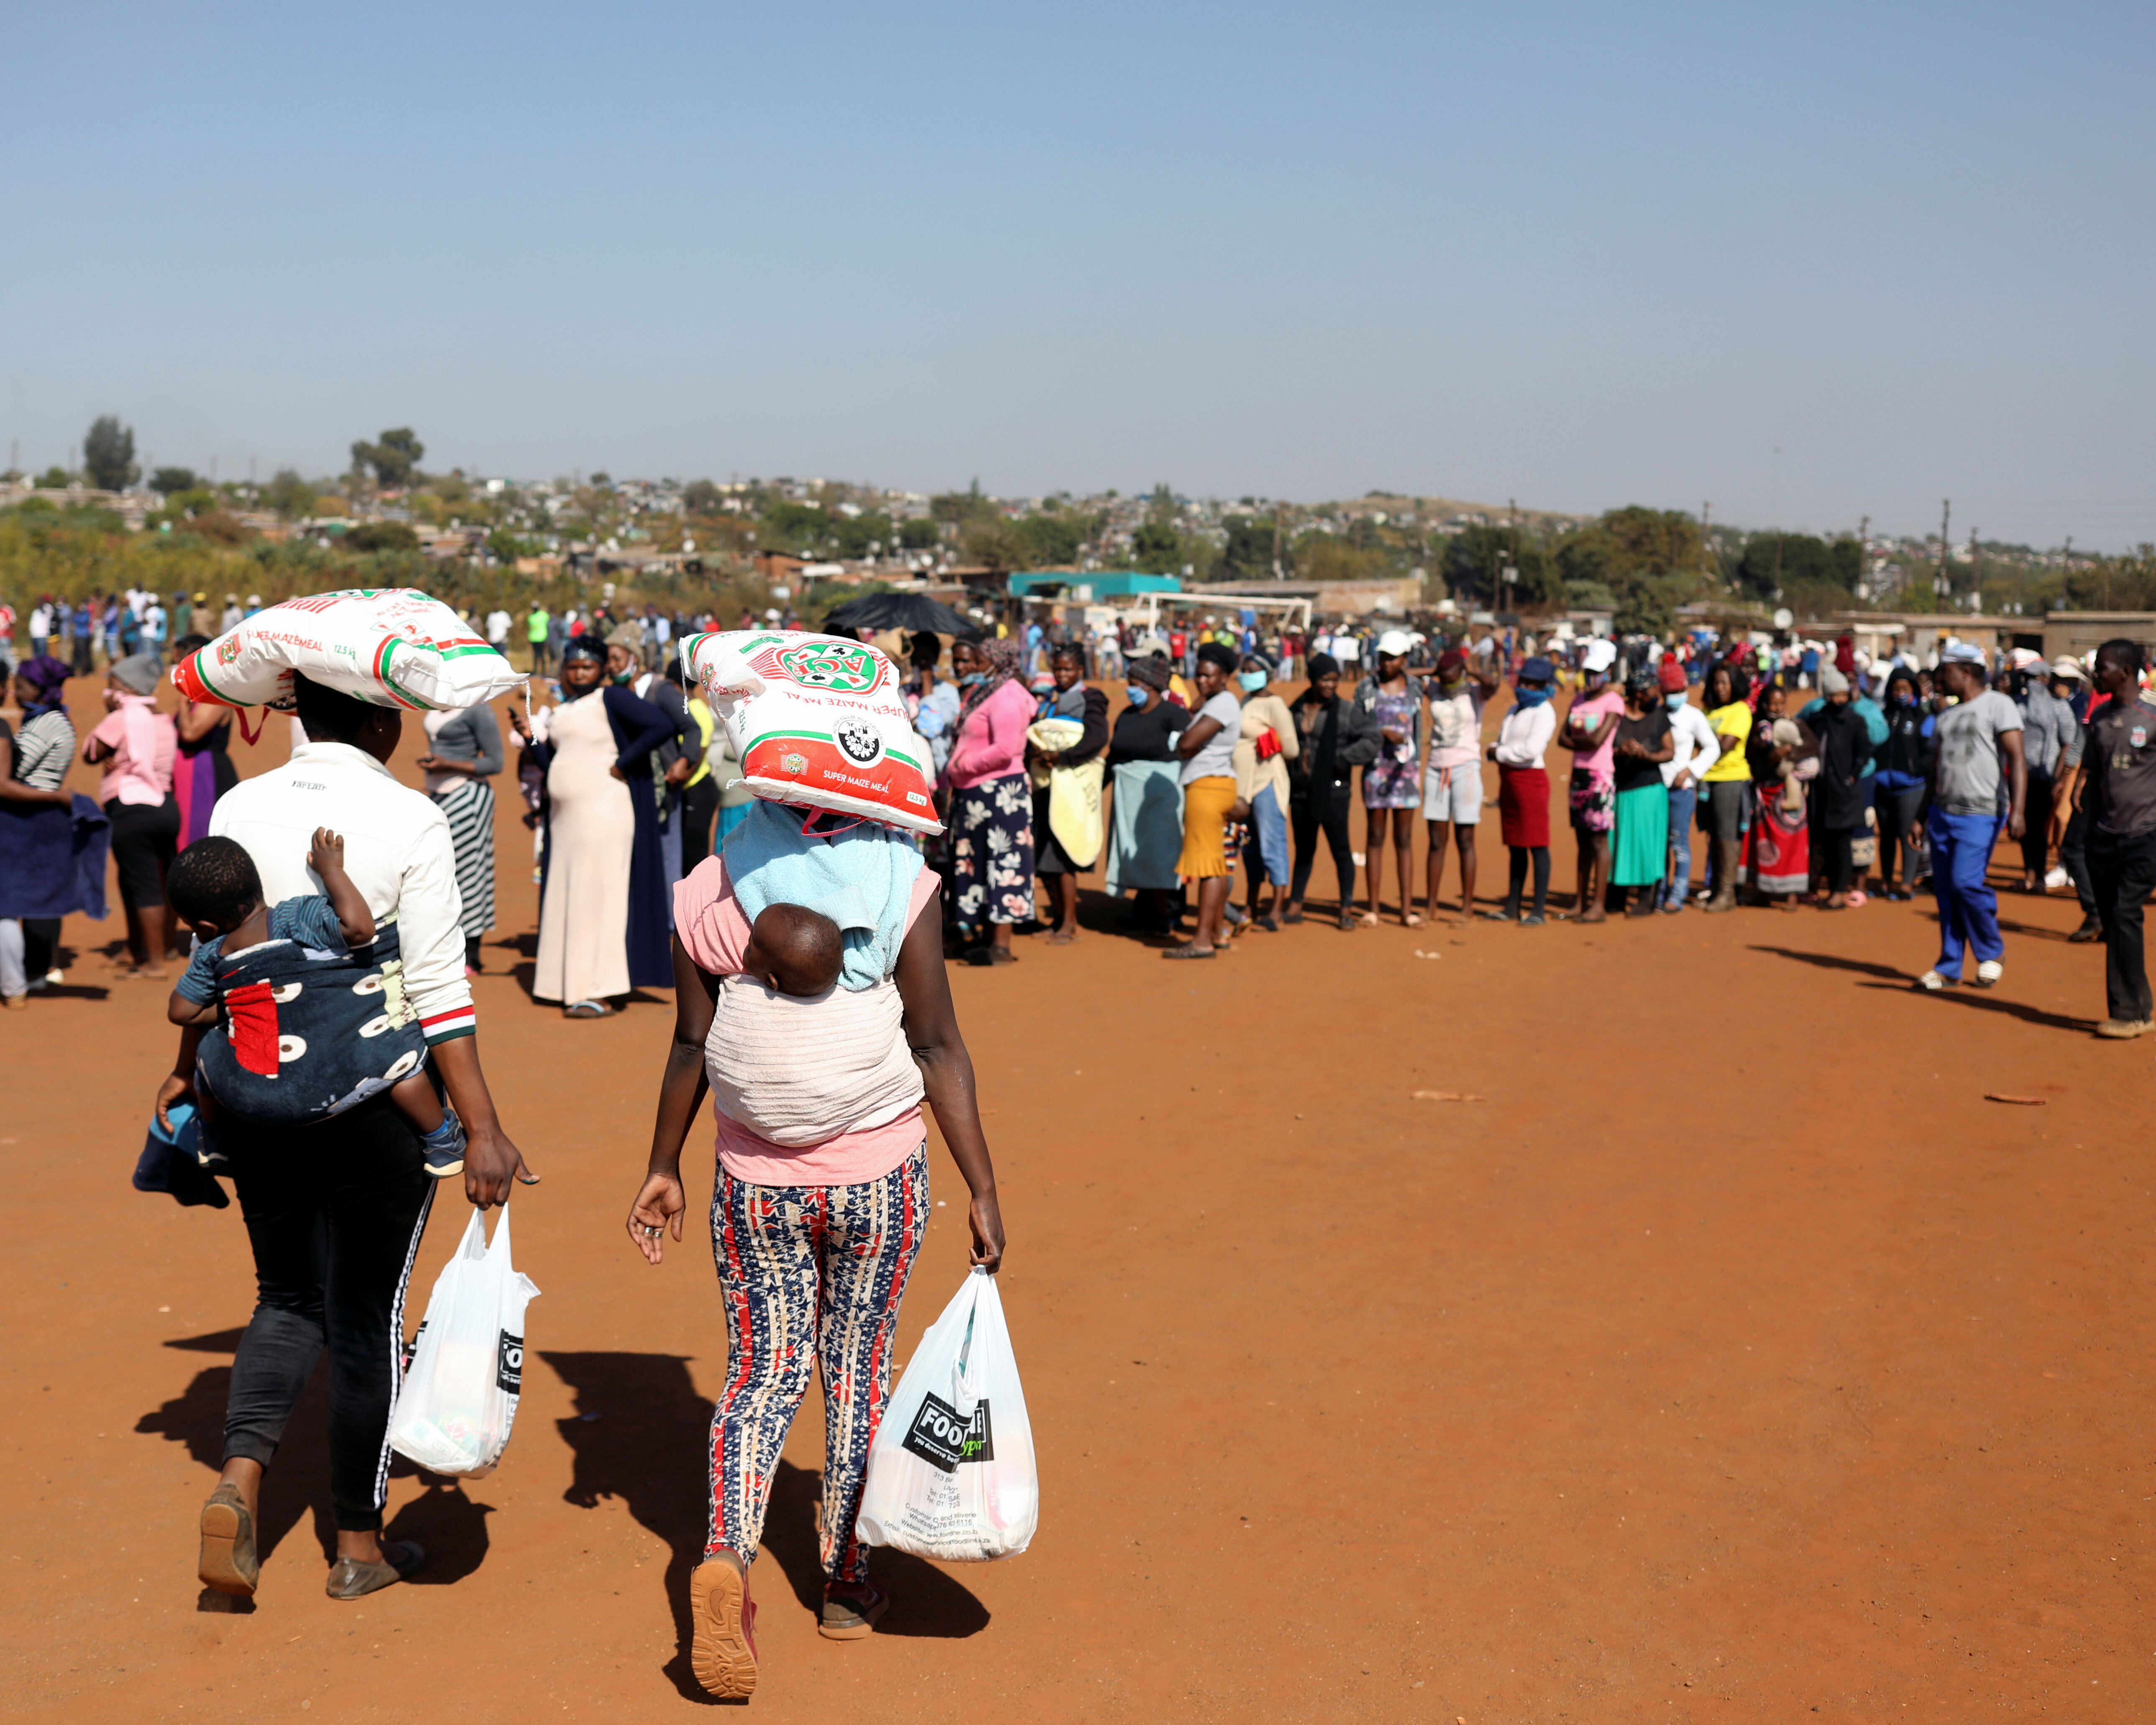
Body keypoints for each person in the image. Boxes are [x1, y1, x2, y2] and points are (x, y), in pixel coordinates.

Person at [166, 671, 534, 1604]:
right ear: (379, 721)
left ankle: (239, 1478)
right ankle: (358, 1543)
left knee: (287, 1297)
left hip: (252, 1094)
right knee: (365, 1317)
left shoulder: (242, 802)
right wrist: (481, 1129)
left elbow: (205, 967)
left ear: (296, 715)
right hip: (374, 1099)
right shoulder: (410, 816)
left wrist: (184, 1071)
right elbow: (442, 990)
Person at [628, 804, 1005, 1697]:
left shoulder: (709, 891)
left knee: (761, 1372)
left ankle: (727, 1555)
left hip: (754, 1183)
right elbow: (936, 1043)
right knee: (858, 1369)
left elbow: (690, 1040)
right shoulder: (896, 883)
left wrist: (662, 1165)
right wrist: (983, 1187)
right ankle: (846, 1580)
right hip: (877, 1175)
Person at [163, 830, 468, 1175]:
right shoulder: (295, 916)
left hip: (257, 1097)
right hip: (338, 1075)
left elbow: (182, 1012)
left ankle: (215, 1138)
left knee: (208, 1052)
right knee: (396, 1055)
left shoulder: (211, 953)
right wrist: (332, 871)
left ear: (204, 926)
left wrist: (235, 1002)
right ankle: (441, 1140)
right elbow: (359, 930)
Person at [511, 634, 675, 1016]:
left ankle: (598, 988)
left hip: (604, 813)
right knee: (567, 895)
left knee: (598, 897)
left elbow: (661, 726)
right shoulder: (566, 708)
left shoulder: (612, 698)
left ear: (602, 669)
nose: (580, 672)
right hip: (566, 820)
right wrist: (530, 739)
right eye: (573, 667)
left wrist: (622, 763)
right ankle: (562, 981)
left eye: (587, 666)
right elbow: (555, 764)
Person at [1915, 643, 2025, 992]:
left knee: (1965, 883)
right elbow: (1934, 772)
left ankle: (1991, 951)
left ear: (1964, 671)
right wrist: (1921, 815)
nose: (1939, 679)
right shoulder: (1945, 716)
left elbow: (2017, 759)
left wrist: (2018, 810)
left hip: (1981, 813)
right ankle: (1949, 966)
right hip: (1942, 813)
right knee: (1947, 892)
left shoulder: (1998, 704)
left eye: (1944, 672)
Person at [2076, 640, 2156, 1037]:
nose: (2095, 675)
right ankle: (2139, 1006)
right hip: (2104, 837)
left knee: (2126, 914)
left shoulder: (2153, 715)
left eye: (2101, 668)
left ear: (2125, 672)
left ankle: (2128, 1014)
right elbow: (2093, 774)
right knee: (2114, 921)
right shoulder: (2101, 718)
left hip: (2146, 837)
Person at [82, 652, 180, 976]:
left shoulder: (122, 717)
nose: (108, 690)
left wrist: (110, 714)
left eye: (112, 684)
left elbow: (92, 753)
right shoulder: (163, 719)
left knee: (142, 884)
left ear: (125, 687)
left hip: (131, 807)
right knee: (147, 881)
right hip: (165, 806)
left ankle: (153, 963)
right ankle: (146, 948)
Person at [941, 637, 1036, 965]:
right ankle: (984, 937)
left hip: (1000, 793)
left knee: (1003, 862)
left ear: (997, 660)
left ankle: (1001, 945)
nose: (977, 663)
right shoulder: (988, 691)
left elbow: (1005, 750)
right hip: (977, 795)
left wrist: (960, 766)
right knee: (979, 862)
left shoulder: (1008, 695)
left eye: (982, 658)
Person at [0, 656, 87, 1008]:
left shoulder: (46, 723)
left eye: (20, 687)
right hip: (37, 811)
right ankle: (37, 968)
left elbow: (13, 775)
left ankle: (36, 971)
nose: (15, 693)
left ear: (37, 689)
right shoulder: (47, 719)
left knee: (35, 899)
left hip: (35, 815)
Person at [1281, 653, 1378, 929]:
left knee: (1340, 849)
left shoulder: (1346, 712)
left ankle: (1346, 909)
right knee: (1304, 849)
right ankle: (1295, 905)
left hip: (1334, 790)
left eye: (1335, 680)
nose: (1331, 686)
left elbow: (1372, 737)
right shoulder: (1296, 708)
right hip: (1301, 790)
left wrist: (1342, 760)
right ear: (1313, 679)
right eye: (1326, 679)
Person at [414, 696, 504, 975]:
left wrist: (447, 765)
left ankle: (471, 955)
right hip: (440, 794)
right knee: (440, 871)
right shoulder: (433, 703)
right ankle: (446, 946)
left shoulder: (478, 710)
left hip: (468, 795)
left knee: (468, 873)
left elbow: (495, 762)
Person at [1165, 642, 1243, 958]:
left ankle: (1201, 942)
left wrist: (1185, 742)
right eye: (1198, 675)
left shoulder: (1222, 704)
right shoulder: (1218, 701)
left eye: (1209, 676)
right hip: (1214, 785)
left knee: (1210, 868)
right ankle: (1216, 934)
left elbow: (1185, 744)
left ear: (1225, 676)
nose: (1202, 681)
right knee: (1217, 866)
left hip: (1207, 788)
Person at [1029, 645, 1109, 944]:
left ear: (1080, 670)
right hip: (1046, 785)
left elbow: (1098, 737)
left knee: (1061, 856)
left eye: (1068, 670)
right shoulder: (1050, 699)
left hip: (1070, 786)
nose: (1062, 675)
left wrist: (1062, 757)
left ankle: (1069, 924)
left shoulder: (1092, 698)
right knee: (1046, 857)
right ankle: (1060, 919)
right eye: (1058, 670)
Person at [1102, 655, 1187, 936]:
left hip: (1161, 796)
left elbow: (1186, 752)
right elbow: (1114, 754)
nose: (1130, 689)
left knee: (1159, 855)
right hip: (1128, 797)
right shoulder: (1127, 715)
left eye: (1135, 684)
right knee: (1133, 853)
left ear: (1151, 686)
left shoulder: (1173, 714)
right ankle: (1141, 913)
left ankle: (1162, 920)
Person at [1354, 630, 1425, 926]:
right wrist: (1381, 734)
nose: (1385, 663)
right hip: (1375, 770)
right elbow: (1355, 725)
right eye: (1383, 657)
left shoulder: (1415, 689)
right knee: (1375, 836)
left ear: (1405, 659)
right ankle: (1373, 908)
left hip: (1405, 772)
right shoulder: (1366, 688)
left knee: (1404, 839)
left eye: (1392, 658)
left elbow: (1419, 728)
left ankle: (1406, 909)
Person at [1423, 648, 1499, 919]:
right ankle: (1430, 906)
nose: (1446, 682)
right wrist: (1434, 670)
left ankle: (1466, 906)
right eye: (1441, 677)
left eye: (1450, 677)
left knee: (1465, 840)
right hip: (1435, 768)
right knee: (1435, 841)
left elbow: (1493, 683)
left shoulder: (1475, 692)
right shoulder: (1433, 689)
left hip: (1465, 769)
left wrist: (1468, 669)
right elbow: (1404, 676)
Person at [1485, 655, 1558, 924]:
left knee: (1537, 845)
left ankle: (1538, 910)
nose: (1526, 686)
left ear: (1544, 686)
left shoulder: (1545, 712)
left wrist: (1498, 752)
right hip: (1510, 781)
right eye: (1524, 681)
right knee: (1516, 845)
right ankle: (1512, 906)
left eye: (1533, 683)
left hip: (1531, 781)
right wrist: (1500, 751)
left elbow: (1531, 750)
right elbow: (1506, 741)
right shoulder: (1514, 710)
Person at [1232, 652, 1298, 931]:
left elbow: (1292, 749)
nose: (1246, 674)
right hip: (1243, 788)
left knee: (1273, 845)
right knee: (1249, 848)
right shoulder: (1245, 702)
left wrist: (1269, 741)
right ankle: (1251, 903)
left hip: (1267, 783)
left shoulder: (1275, 704)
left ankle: (1275, 910)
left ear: (1267, 674)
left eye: (1253, 670)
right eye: (1244, 670)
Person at [1560, 639, 1623, 922]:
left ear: (1609, 670)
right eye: (1588, 672)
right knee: (1582, 842)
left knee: (1599, 841)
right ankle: (1579, 902)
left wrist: (1578, 739)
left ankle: (1598, 905)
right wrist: (1582, 741)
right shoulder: (1578, 700)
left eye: (1596, 672)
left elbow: (1599, 740)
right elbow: (1562, 739)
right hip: (1578, 776)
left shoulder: (1613, 702)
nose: (1591, 678)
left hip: (1600, 777)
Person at [1744, 681, 1818, 912]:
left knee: (1794, 845)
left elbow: (1813, 747)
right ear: (1765, 705)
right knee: (1764, 846)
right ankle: (1763, 892)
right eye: (1773, 703)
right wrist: (1772, 758)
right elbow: (1753, 758)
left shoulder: (1797, 725)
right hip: (1766, 796)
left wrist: (1790, 753)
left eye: (1781, 703)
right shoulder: (1758, 730)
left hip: (1791, 797)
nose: (1777, 707)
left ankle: (1792, 896)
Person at [1656, 657, 1720, 913]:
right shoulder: (1656, 716)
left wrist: (1690, 771)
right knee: (1658, 843)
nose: (1675, 696)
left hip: (1681, 791)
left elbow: (1712, 748)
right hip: (1656, 790)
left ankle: (1677, 895)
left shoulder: (1694, 717)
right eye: (1670, 692)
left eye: (1679, 691)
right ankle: (1658, 892)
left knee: (1678, 842)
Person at [1609, 670, 1674, 916]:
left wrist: (1647, 756)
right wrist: (1620, 751)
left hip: (1649, 790)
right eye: (1652, 692)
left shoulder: (1658, 716)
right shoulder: (1616, 715)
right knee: (1618, 844)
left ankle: (1646, 899)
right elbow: (1602, 745)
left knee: (1647, 845)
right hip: (1619, 788)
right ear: (1638, 694)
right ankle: (1616, 897)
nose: (1657, 697)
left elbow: (1670, 751)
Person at [167, 634, 242, 849]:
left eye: (180, 663)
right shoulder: (196, 695)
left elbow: (190, 733)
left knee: (200, 839)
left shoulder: (216, 694)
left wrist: (182, 703)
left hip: (204, 776)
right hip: (186, 773)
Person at [2013, 651, 2079, 894]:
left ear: (2045, 678)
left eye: (2034, 677)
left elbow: (2069, 743)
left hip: (2047, 775)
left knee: (2040, 828)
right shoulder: (2017, 705)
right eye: (2026, 678)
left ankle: (2039, 875)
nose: (2030, 682)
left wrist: (2058, 776)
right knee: (2023, 825)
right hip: (2022, 776)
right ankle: (2028, 874)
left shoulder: (2059, 708)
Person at [2046, 656, 2101, 940]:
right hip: (2090, 779)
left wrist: (2072, 777)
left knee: (2074, 842)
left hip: (2094, 781)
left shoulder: (2093, 702)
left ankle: (2097, 912)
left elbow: (2080, 741)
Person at [1808, 667, 1872, 909]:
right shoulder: (1819, 719)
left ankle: (1838, 892)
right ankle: (1822, 886)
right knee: (1824, 844)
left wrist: (1852, 777)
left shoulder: (1855, 721)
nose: (1841, 700)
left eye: (1844, 695)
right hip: (1822, 793)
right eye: (1836, 695)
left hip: (1845, 795)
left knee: (1842, 845)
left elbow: (1864, 752)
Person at [1872, 667, 1934, 901]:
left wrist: (1918, 769)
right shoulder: (1882, 716)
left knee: (1908, 835)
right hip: (1882, 787)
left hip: (1911, 787)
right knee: (1886, 837)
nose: (1900, 693)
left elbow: (1930, 751)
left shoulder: (1924, 718)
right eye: (1896, 689)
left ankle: (1907, 883)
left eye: (1905, 689)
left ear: (1914, 690)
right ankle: (1887, 881)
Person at [1698, 662, 1754, 912]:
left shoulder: (1740, 710)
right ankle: (1716, 889)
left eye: (1725, 683)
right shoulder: (1708, 710)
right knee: (1714, 837)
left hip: (1730, 779)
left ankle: (1727, 893)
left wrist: (1711, 742)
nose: (1720, 688)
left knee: (1727, 837)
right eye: (1716, 683)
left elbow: (1725, 745)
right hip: (1707, 779)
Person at [525, 602, 551, 674]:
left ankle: (544, 672)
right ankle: (536, 671)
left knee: (542, 655)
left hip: (542, 638)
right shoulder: (531, 617)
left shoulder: (544, 615)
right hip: (533, 638)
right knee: (536, 656)